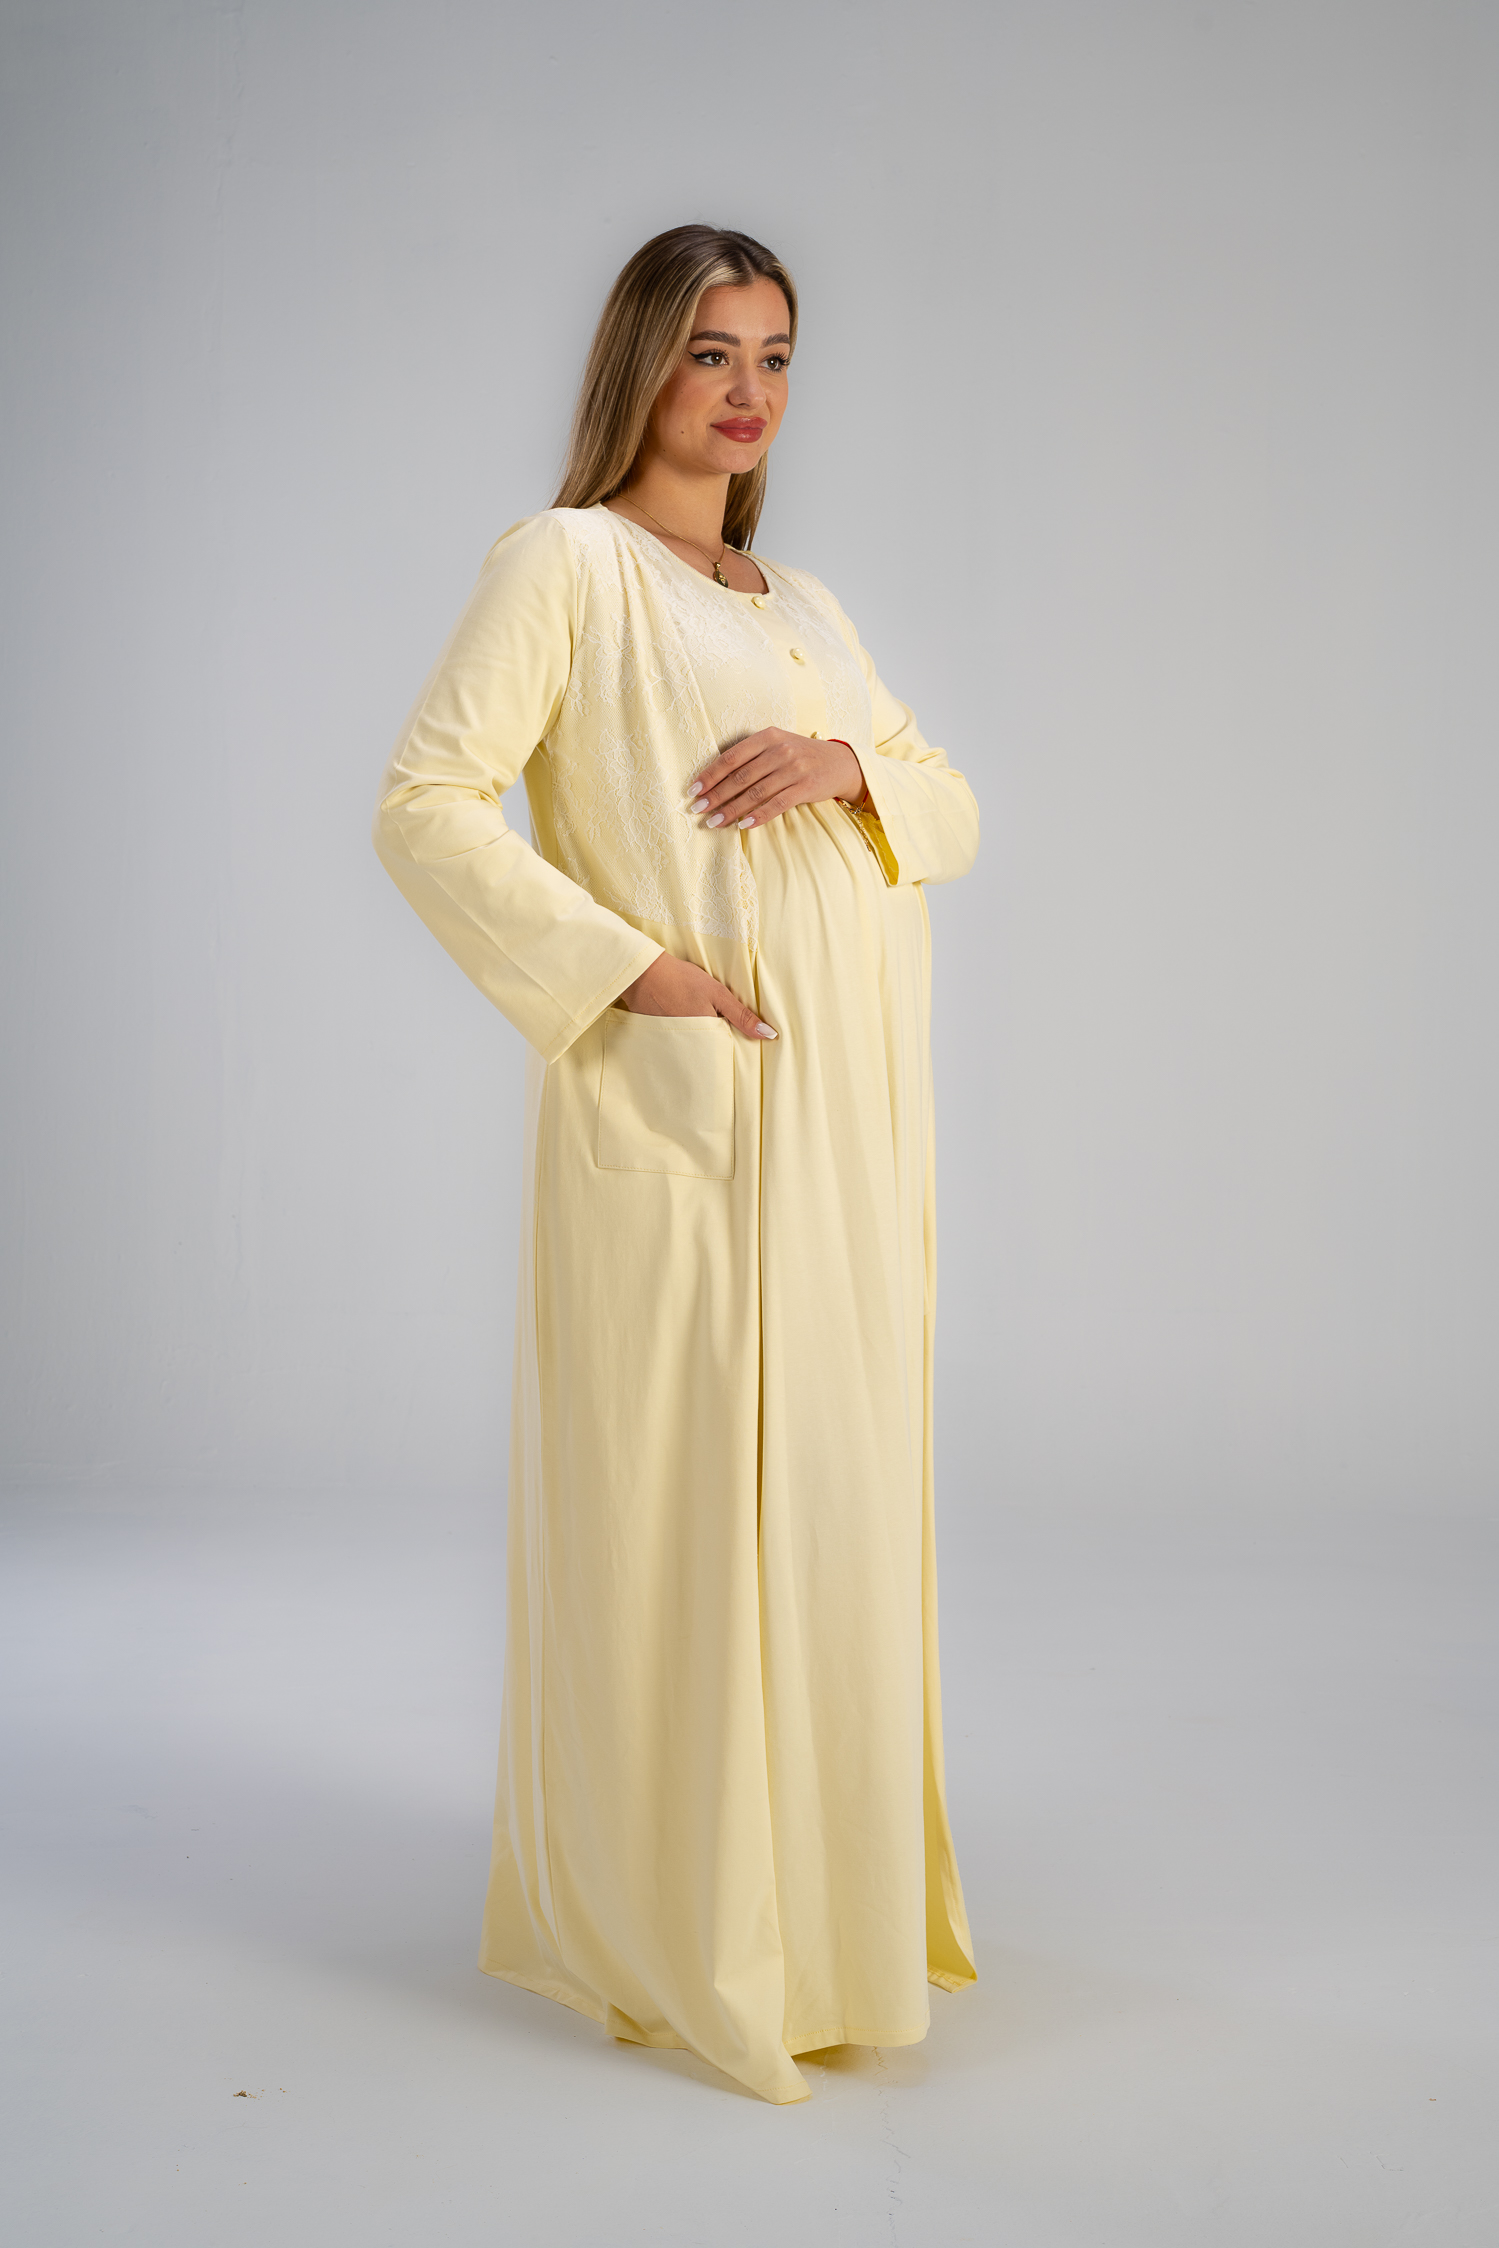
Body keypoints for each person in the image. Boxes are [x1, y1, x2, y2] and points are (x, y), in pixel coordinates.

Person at [372, 223, 979, 2105]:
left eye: (777, 356)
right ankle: (692, 1925)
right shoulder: (567, 564)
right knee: (693, 1505)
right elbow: (426, 804)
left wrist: (848, 769)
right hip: (689, 1111)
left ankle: (832, 1920)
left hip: (851, 1135)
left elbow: (953, 806)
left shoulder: (806, 605)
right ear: (640, 359)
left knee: (838, 1496)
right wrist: (629, 971)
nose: (747, 391)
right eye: (712, 351)